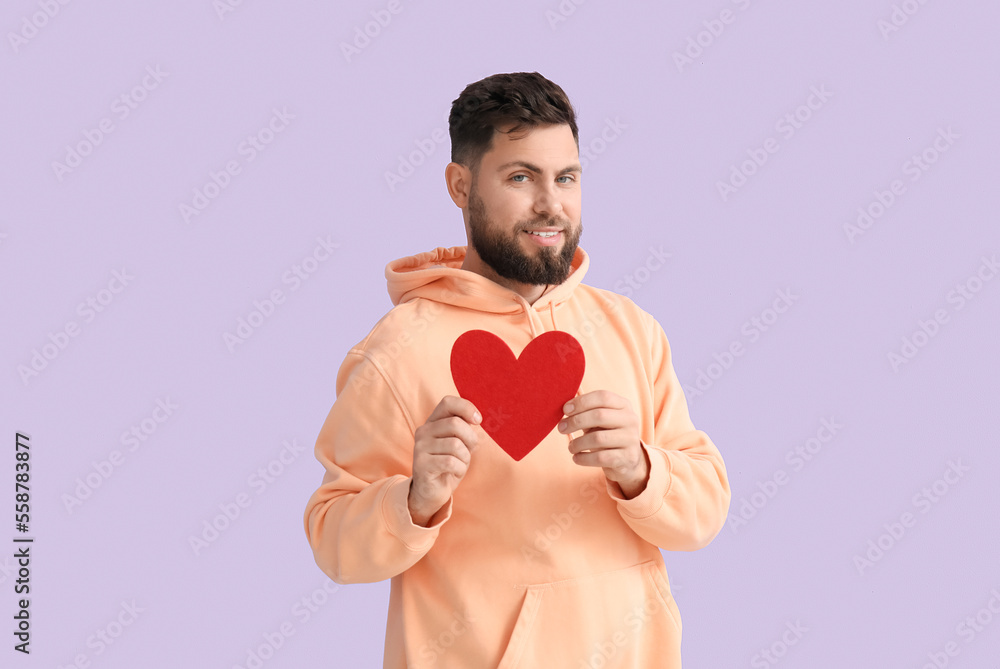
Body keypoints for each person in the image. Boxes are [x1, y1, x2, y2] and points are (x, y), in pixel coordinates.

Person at [303, 71, 731, 668]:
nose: (550, 204)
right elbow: (334, 544)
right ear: (460, 185)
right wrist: (414, 499)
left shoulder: (630, 329)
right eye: (520, 176)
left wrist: (640, 469)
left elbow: (703, 512)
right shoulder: (396, 352)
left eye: (567, 177)